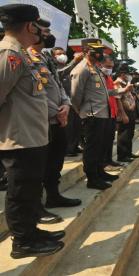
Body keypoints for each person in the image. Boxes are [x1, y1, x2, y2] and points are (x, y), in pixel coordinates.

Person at [0, 3, 65, 258]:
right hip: (18, 138)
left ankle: (31, 231)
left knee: (30, 190)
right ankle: (23, 242)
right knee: (20, 192)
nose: (40, 31)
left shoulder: (22, 53)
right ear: (30, 26)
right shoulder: (9, 54)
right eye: (38, 25)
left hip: (32, 137)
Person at [27, 19, 81, 224]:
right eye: (46, 31)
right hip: (41, 120)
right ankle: (37, 208)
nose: (50, 34)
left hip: (58, 117)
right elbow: (35, 92)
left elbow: (58, 85)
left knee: (55, 162)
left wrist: (65, 105)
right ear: (33, 31)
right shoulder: (26, 56)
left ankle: (53, 195)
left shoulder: (45, 57)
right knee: (39, 167)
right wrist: (56, 110)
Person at [70, 38, 119, 190]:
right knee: (92, 148)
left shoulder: (96, 68)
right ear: (86, 52)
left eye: (100, 50)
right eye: (95, 51)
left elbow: (103, 92)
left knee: (100, 146)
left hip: (102, 114)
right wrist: (82, 112)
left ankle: (99, 171)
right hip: (92, 115)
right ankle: (92, 178)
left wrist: (120, 91)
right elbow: (75, 96)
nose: (99, 53)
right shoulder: (82, 69)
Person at [51, 46, 84, 156]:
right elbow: (61, 72)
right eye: (59, 53)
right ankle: (68, 149)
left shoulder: (69, 67)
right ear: (53, 56)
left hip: (74, 102)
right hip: (63, 104)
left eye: (63, 53)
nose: (62, 55)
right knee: (68, 128)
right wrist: (74, 61)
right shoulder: (54, 68)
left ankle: (74, 146)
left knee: (77, 126)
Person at [101, 55, 124, 167]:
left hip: (112, 111)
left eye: (112, 67)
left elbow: (113, 94)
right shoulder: (100, 77)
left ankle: (108, 159)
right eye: (108, 66)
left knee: (110, 138)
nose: (110, 69)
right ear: (101, 64)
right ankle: (103, 161)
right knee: (103, 140)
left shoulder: (109, 77)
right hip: (103, 112)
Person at [114, 66, 139, 163]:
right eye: (127, 74)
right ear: (122, 74)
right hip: (124, 111)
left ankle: (128, 152)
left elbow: (129, 96)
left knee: (130, 133)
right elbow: (118, 99)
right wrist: (123, 114)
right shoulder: (117, 84)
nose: (129, 76)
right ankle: (122, 155)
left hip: (130, 110)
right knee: (124, 134)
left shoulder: (125, 84)